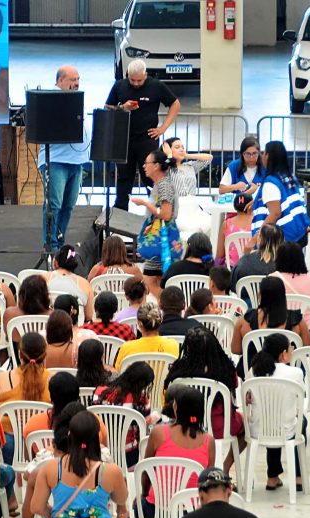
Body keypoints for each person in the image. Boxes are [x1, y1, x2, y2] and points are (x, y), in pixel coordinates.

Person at [30, 410, 129, 518]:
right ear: (97, 438)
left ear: (69, 435)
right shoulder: (111, 471)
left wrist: (61, 514)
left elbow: (36, 507)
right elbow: (121, 498)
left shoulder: (50, 468)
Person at [165, 326, 245, 471]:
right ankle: (225, 466)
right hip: (218, 425)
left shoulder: (178, 371)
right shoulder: (225, 369)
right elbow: (234, 387)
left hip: (183, 423)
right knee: (247, 424)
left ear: (187, 348)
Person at [105, 59, 181, 211]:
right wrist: (123, 107)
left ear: (145, 75)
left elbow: (175, 104)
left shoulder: (156, 86)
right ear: (128, 75)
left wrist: (163, 128)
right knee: (124, 176)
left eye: (139, 80)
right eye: (132, 80)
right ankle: (120, 209)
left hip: (147, 139)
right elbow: (107, 107)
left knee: (150, 175)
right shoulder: (120, 85)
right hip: (124, 138)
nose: (136, 83)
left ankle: (156, 209)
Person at [141, 388, 214, 518]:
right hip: (192, 515)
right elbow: (208, 481)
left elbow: (146, 473)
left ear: (176, 409)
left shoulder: (158, 433)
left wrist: (144, 494)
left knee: (138, 506)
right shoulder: (208, 441)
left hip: (157, 512)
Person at [36, 65, 90, 250]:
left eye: (78, 79)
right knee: (54, 204)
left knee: (68, 205)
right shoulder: (53, 99)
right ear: (60, 81)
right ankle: (50, 244)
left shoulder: (76, 98)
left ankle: (59, 241)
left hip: (76, 161)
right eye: (72, 80)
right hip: (57, 161)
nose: (76, 83)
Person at [248, 333, 307, 492]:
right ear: (283, 354)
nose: (292, 350)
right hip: (285, 429)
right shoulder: (295, 373)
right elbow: (300, 398)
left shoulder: (254, 371)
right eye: (290, 348)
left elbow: (248, 397)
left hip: (258, 429)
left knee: (271, 419)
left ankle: (272, 477)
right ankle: (298, 476)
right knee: (300, 422)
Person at [133, 147, 183, 297]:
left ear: (156, 166)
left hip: (161, 239)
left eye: (147, 163)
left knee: (149, 280)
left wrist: (144, 204)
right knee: (160, 280)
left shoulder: (163, 185)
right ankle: (168, 305)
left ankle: (168, 305)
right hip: (161, 238)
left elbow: (166, 214)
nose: (144, 166)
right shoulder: (161, 184)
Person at [231, 276, 310, 362]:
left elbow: (236, 350)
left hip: (253, 369)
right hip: (288, 370)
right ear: (283, 295)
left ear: (260, 295)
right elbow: (309, 350)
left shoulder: (244, 321)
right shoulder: (297, 322)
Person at [254, 140, 310, 247]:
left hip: (285, 238)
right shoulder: (289, 177)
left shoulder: (271, 182)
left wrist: (256, 238)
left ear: (268, 156)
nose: (262, 156)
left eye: (263, 153)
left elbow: (275, 213)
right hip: (300, 231)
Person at [0, 332, 51, 418]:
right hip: (41, 427)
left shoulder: (2, 379)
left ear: (19, 354)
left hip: (6, 427)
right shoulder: (52, 380)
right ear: (44, 356)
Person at [115, 303, 179, 369]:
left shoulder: (126, 348)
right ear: (161, 320)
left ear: (139, 324)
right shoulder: (174, 345)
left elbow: (118, 371)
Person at [231, 224, 283, 294]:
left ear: (259, 239)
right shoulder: (285, 265)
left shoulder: (244, 262)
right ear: (281, 241)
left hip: (245, 300)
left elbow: (233, 286)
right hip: (274, 300)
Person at [3, 275, 53, 341]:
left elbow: (8, 335)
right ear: (45, 295)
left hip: (17, 347)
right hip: (44, 347)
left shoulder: (9, 313)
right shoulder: (52, 316)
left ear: (22, 294)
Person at [218, 193, 255, 267]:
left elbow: (220, 254)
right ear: (250, 206)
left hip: (232, 268)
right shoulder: (257, 223)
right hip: (254, 267)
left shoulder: (226, 224)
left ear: (235, 206)